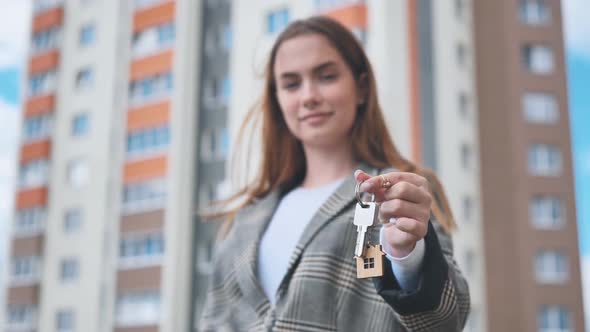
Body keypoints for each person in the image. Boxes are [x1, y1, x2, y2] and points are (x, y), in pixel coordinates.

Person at [198, 16, 470, 332]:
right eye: (290, 84)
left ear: (362, 88)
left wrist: (408, 256)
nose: (308, 95)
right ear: (277, 100)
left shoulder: (397, 193)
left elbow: (446, 322)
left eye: (326, 77)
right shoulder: (245, 220)